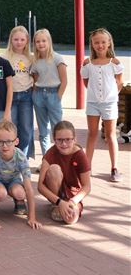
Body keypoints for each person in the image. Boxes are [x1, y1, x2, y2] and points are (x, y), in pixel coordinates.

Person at [0, 120, 42, 230]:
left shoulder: (21, 157)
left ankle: (19, 200)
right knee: (0, 194)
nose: (4, 146)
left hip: (14, 180)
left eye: (9, 141)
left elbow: (29, 188)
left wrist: (32, 217)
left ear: (16, 141)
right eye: (0, 142)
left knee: (20, 192)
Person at [81, 28, 124, 182]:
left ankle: (114, 167)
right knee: (91, 133)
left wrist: (110, 95)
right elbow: (86, 82)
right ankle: (87, 166)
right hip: (92, 103)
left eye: (103, 42)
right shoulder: (87, 63)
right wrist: (95, 94)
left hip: (110, 103)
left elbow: (119, 82)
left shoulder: (115, 63)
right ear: (92, 44)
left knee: (111, 134)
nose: (100, 45)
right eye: (96, 42)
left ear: (109, 43)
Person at [38, 121, 91, 224]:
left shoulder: (80, 155)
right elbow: (40, 186)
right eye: (60, 140)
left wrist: (73, 201)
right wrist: (59, 201)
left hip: (73, 196)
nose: (64, 144)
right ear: (54, 140)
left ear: (74, 139)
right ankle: (56, 205)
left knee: (71, 219)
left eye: (68, 140)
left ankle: (64, 207)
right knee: (54, 169)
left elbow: (87, 186)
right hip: (56, 194)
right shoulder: (50, 153)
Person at [30, 29, 67, 156]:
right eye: (38, 41)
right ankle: (46, 157)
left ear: (49, 41)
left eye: (44, 41)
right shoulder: (35, 61)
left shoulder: (57, 58)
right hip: (38, 95)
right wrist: (35, 95)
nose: (41, 44)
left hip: (53, 94)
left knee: (57, 127)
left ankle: (59, 155)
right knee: (42, 129)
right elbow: (35, 80)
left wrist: (58, 97)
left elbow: (64, 81)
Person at [3, 26, 35, 159]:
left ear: (27, 41)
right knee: (12, 129)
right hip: (10, 97)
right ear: (11, 40)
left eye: (22, 39)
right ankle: (12, 158)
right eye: (16, 39)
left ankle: (23, 158)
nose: (19, 42)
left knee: (26, 129)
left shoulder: (31, 58)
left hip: (26, 96)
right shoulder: (4, 57)